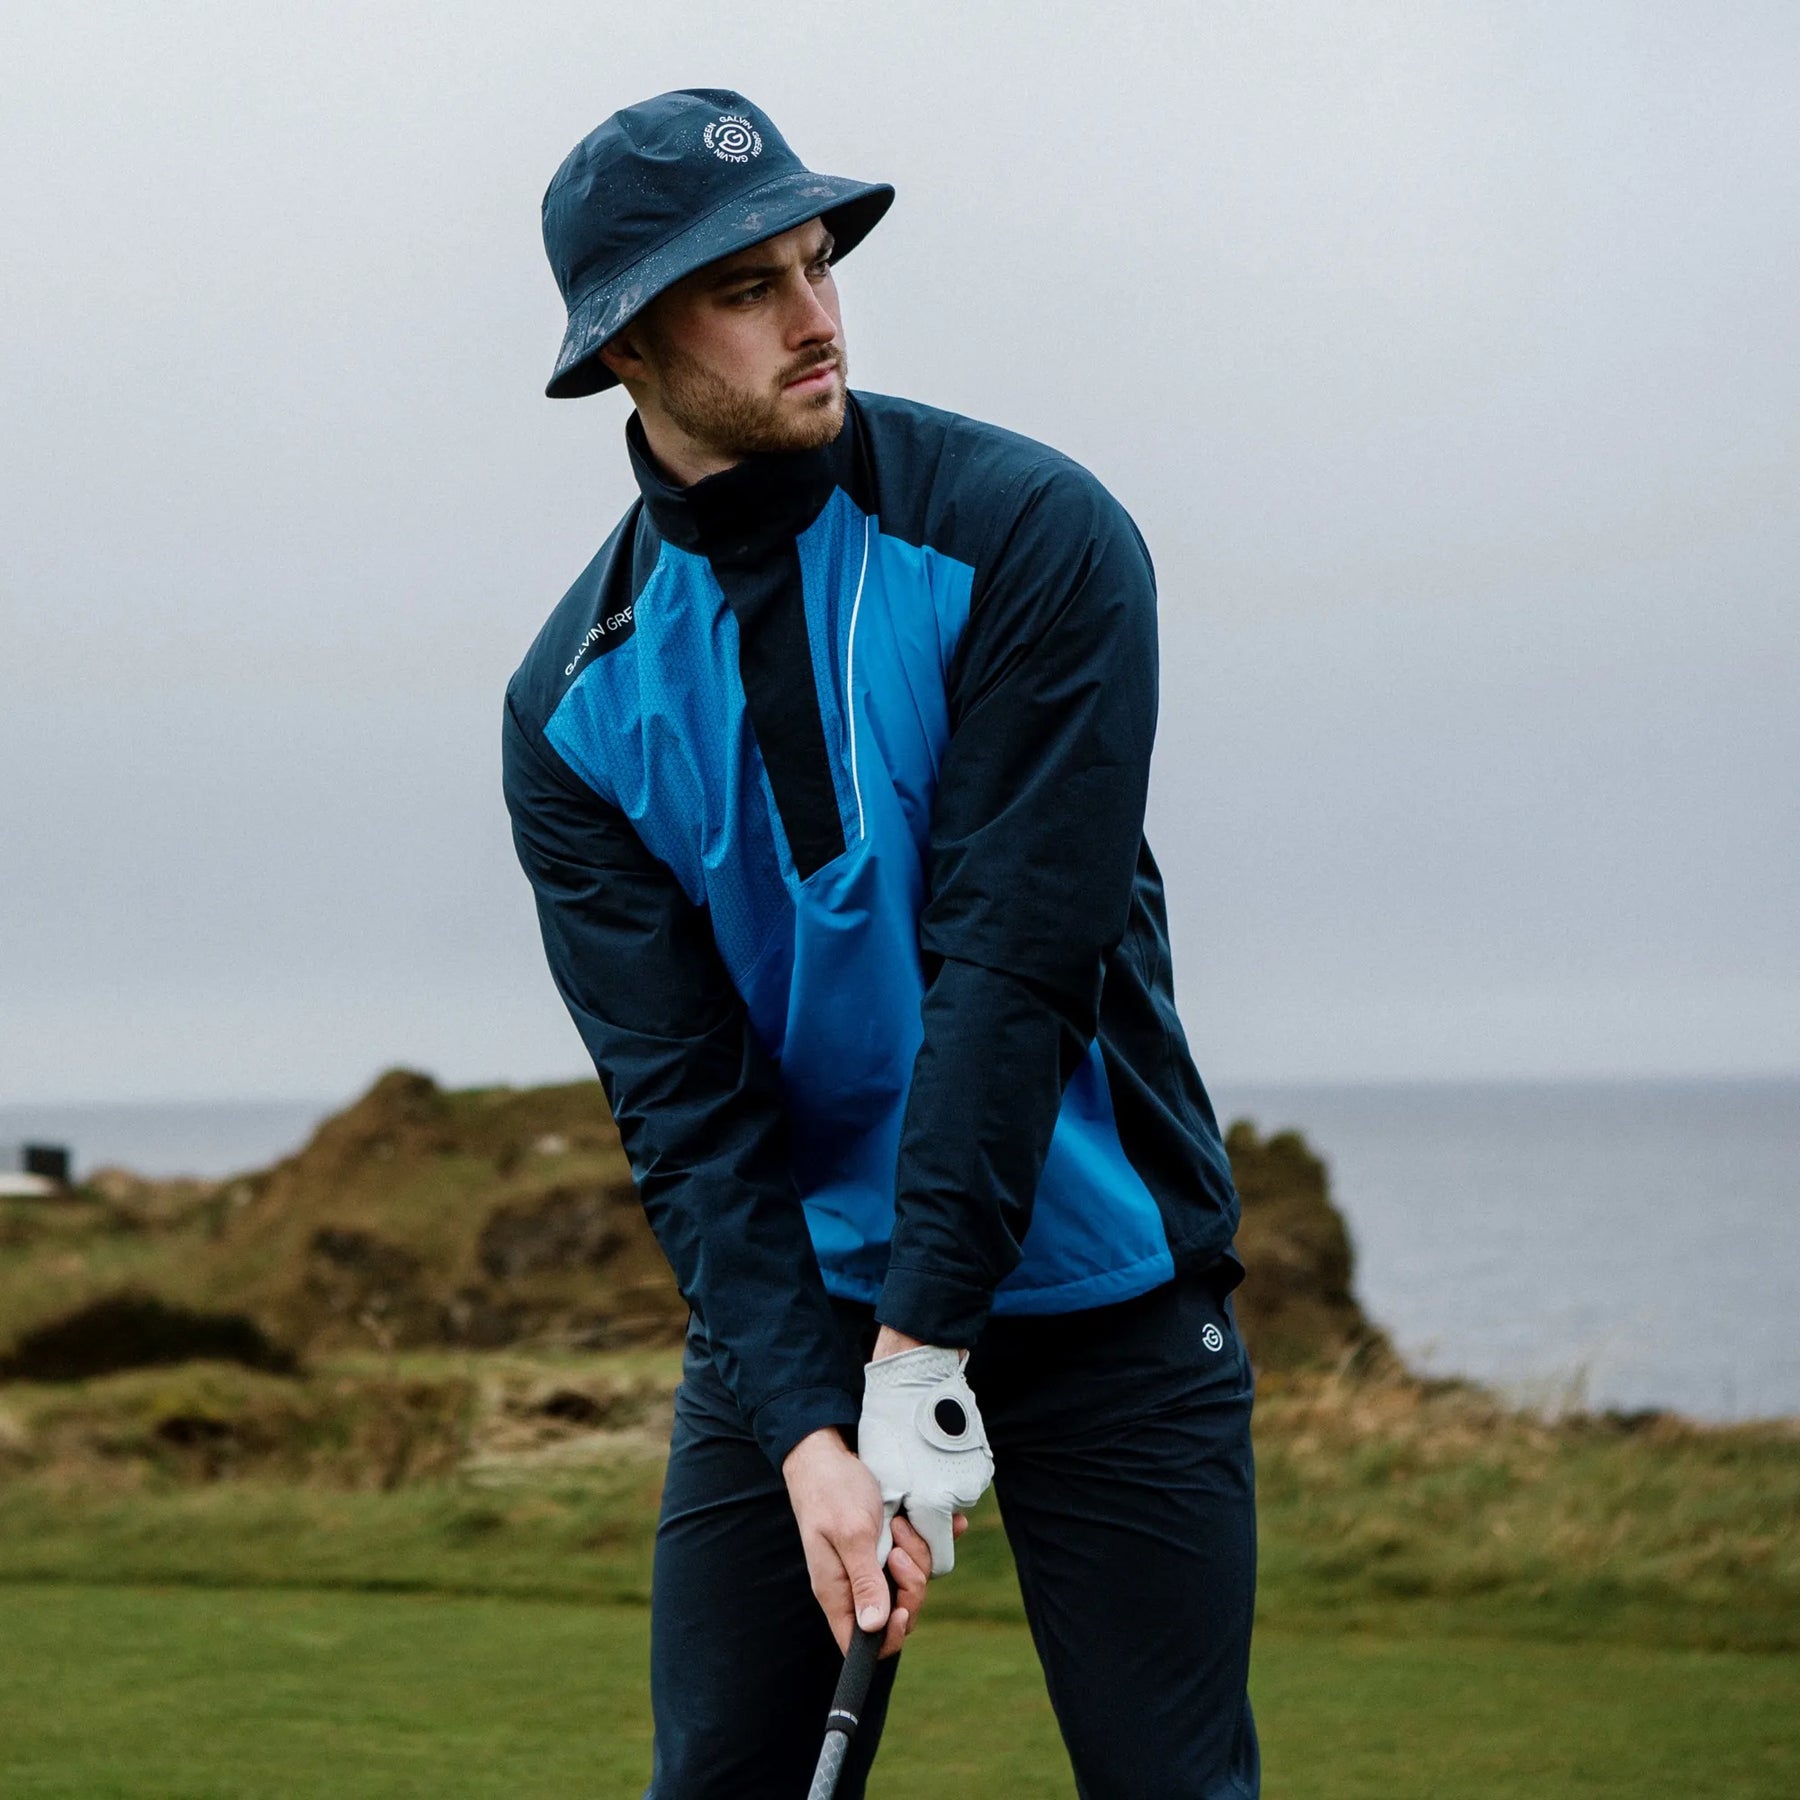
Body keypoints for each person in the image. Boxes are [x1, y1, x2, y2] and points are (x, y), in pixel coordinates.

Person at [503, 88, 1259, 1800]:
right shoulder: (568, 712)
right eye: (746, 288)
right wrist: (807, 1425)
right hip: (804, 1309)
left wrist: (920, 1358)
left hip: (1109, 1292)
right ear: (626, 347)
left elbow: (1011, 970)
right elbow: (684, 1111)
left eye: (815, 262)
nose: (815, 313)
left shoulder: (1030, 534)